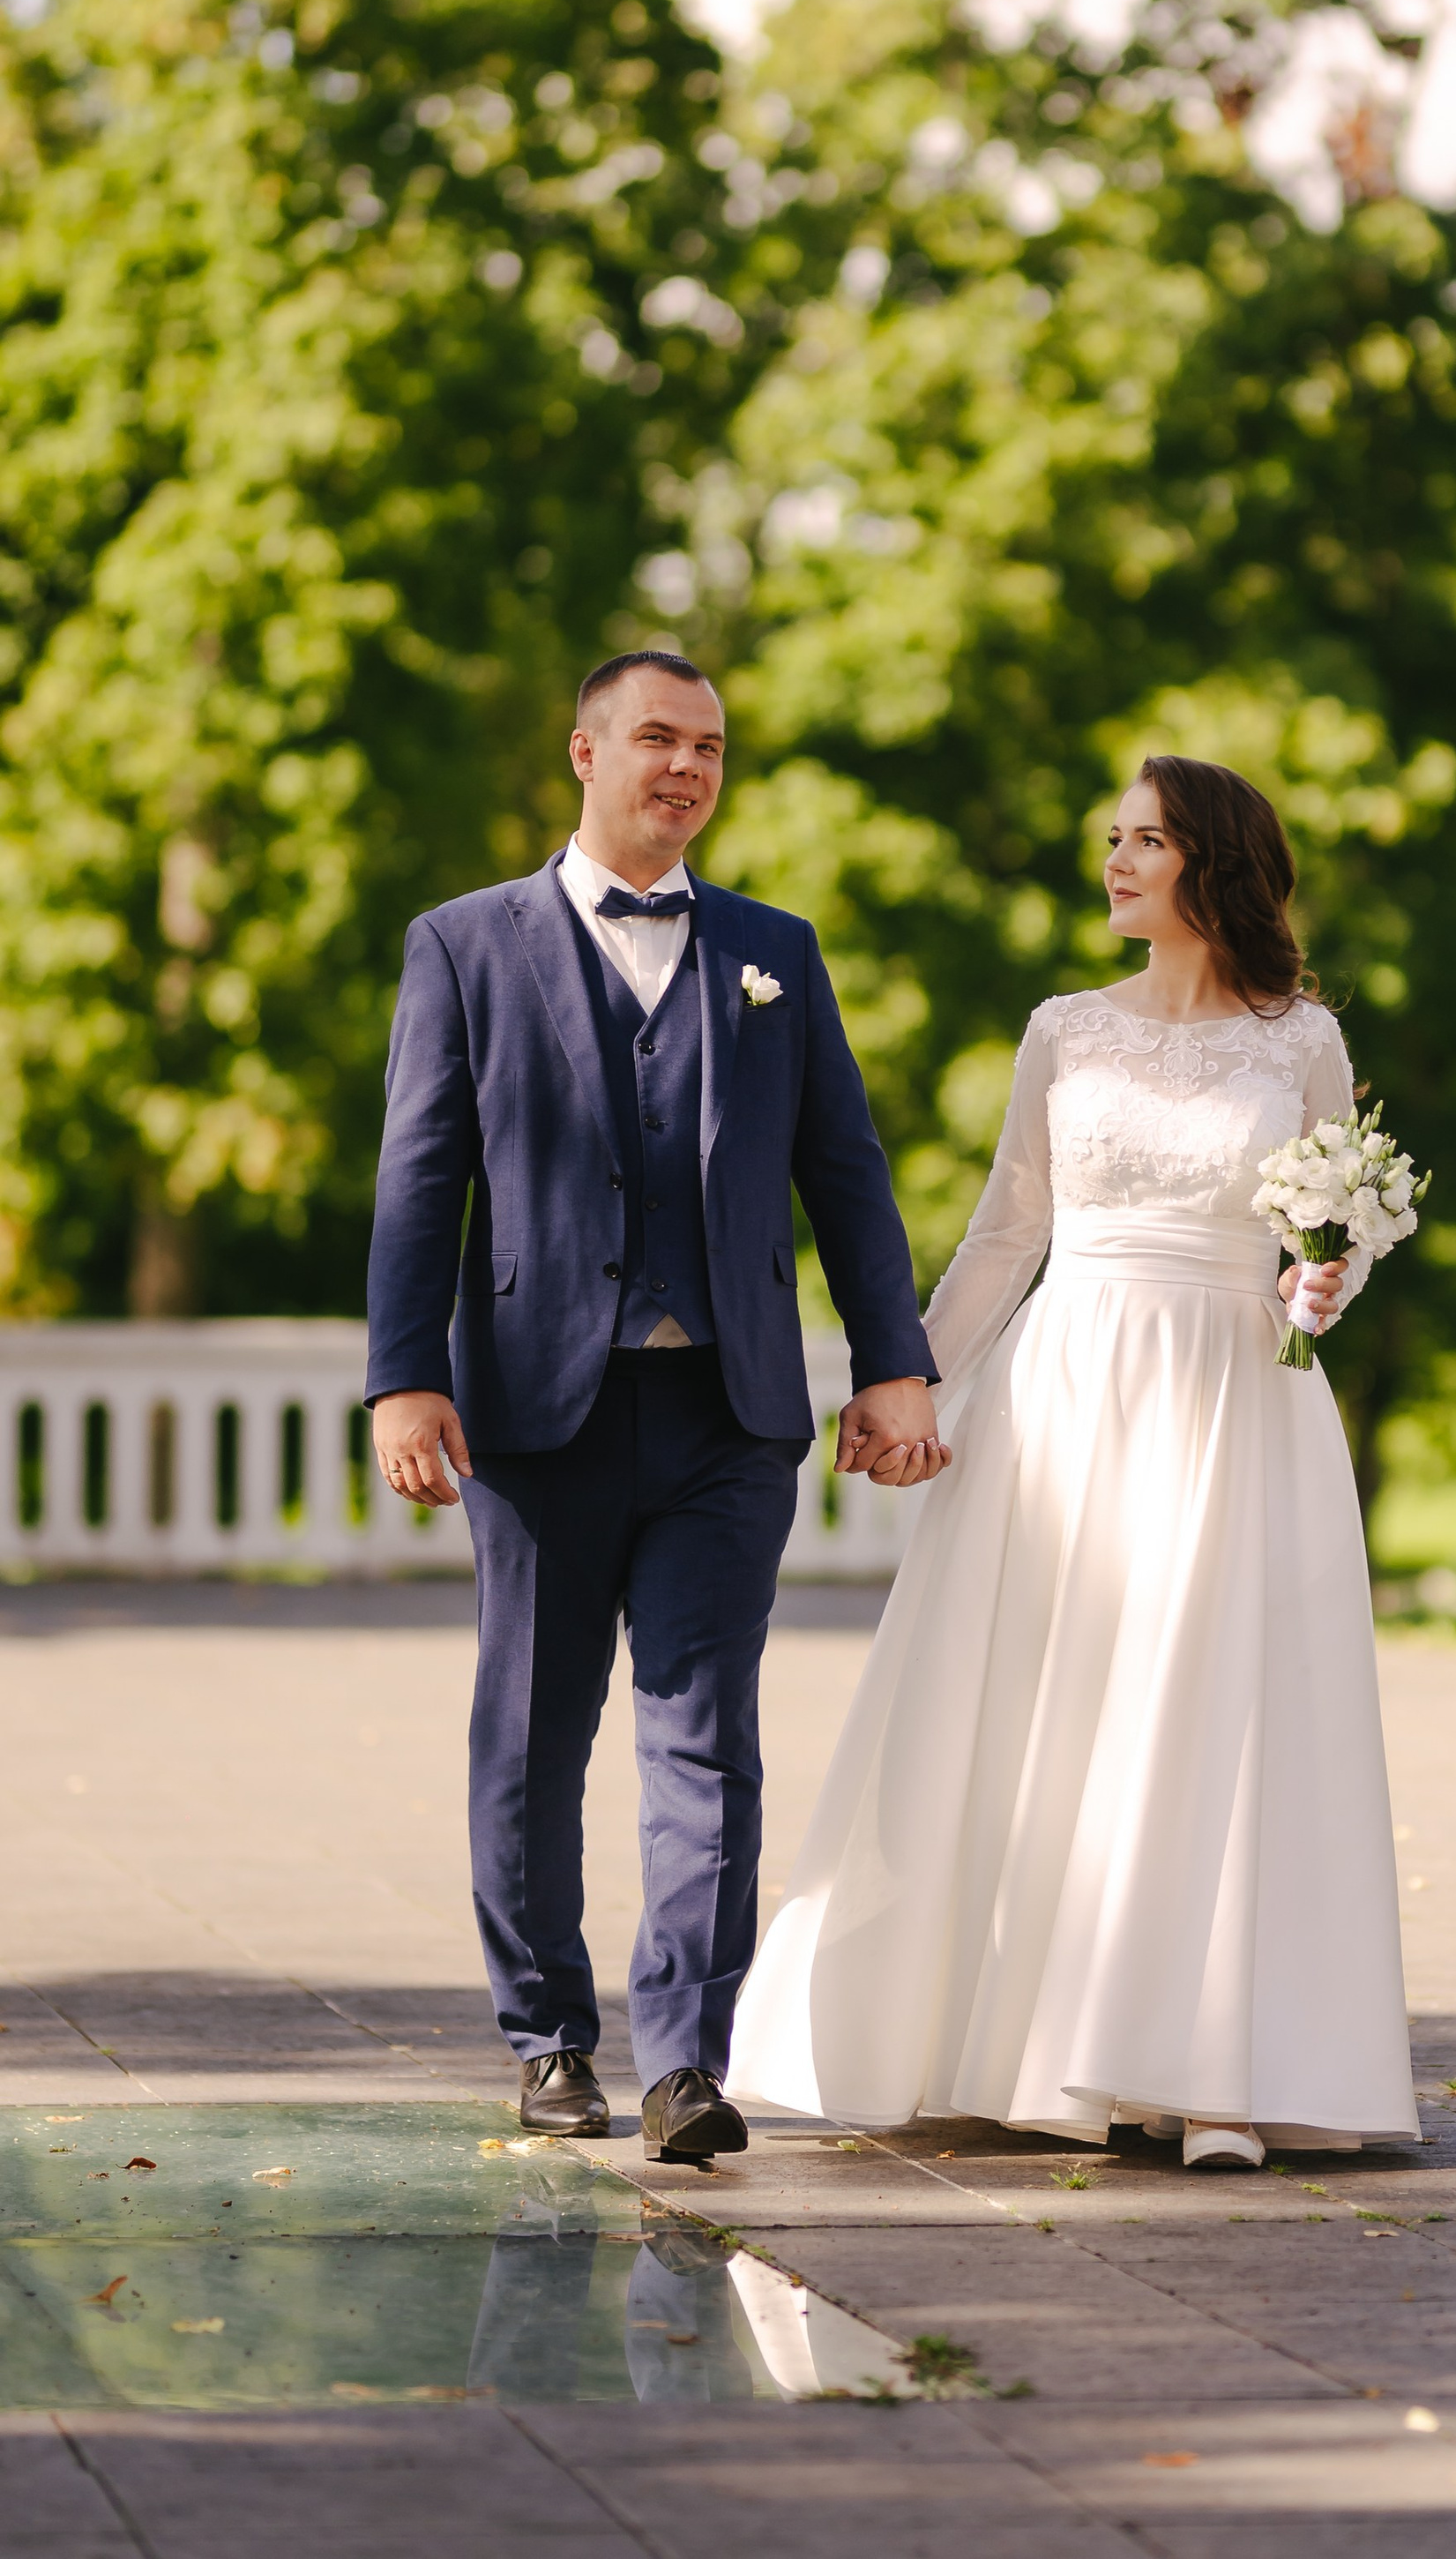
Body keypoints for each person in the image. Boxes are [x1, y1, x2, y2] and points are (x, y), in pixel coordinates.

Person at [728, 754, 1418, 2170]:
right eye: (1115, 836)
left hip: (1233, 1396)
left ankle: (1215, 2074)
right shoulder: (1064, 1030)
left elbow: (1324, 1238)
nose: (1116, 859)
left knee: (1213, 1708)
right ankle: (1041, 2044)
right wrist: (905, 1379)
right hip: (1069, 1392)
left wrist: (1323, 1284)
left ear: (1213, 863)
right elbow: (1008, 1233)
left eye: (1147, 839)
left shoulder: (1300, 1040)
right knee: (1060, 1706)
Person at [363, 650, 943, 2164]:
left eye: (712, 748)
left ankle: (687, 2060)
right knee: (531, 1734)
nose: (688, 767)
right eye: (659, 740)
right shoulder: (463, 945)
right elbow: (420, 1179)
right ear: (585, 752)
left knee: (706, 1737)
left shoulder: (773, 951)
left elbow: (846, 1173)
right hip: (532, 1411)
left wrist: (892, 1358)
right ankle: (550, 2038)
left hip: (728, 1415)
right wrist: (405, 1377)